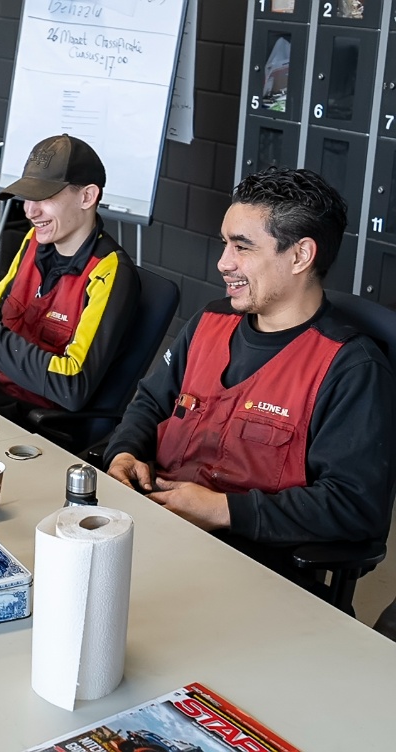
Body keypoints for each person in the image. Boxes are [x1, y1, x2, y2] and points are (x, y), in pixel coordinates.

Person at [103, 167, 396, 585]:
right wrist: (125, 452)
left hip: (250, 572)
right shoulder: (209, 322)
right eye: (226, 243)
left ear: (300, 256)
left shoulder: (351, 368)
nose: (223, 263)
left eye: (242, 247)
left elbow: (354, 507)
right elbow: (151, 403)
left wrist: (223, 510)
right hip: (151, 534)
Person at [0, 134, 140, 422]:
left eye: (45, 197)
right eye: (28, 197)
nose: (30, 211)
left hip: (33, 425)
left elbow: (73, 386)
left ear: (87, 197)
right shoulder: (35, 240)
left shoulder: (110, 273)